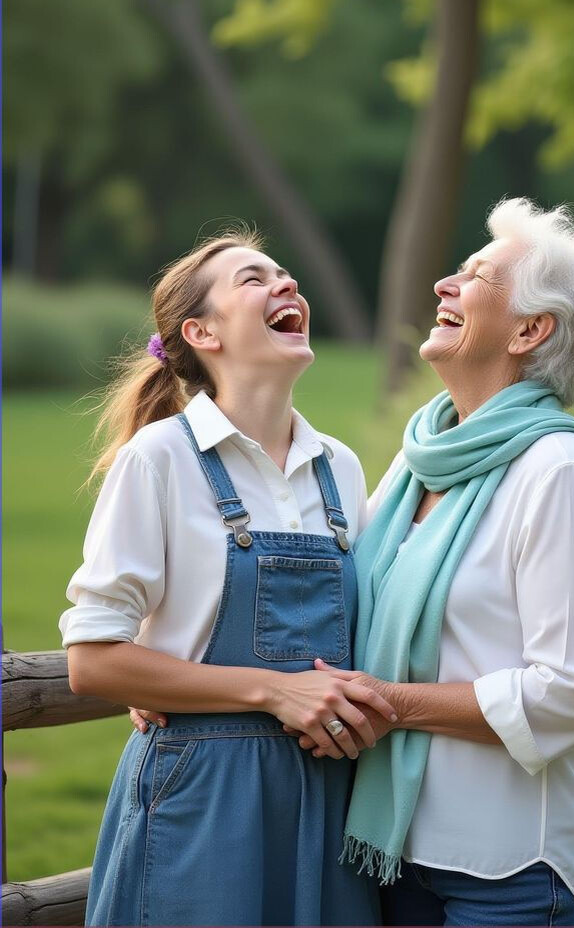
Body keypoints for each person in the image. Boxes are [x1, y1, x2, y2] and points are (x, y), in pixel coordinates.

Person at [280, 198, 574, 926]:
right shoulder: (423, 457)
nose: (445, 286)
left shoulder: (557, 470)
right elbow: (326, 588)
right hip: (396, 853)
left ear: (529, 330)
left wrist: (389, 705)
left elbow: (569, 692)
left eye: (474, 276)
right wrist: (184, 674)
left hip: (512, 867)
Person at [59, 228, 397, 927]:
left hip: (329, 796)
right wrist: (271, 689)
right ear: (201, 332)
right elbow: (92, 661)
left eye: (285, 274)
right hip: (201, 798)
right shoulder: (159, 459)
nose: (285, 284)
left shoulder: (340, 467)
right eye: (253, 278)